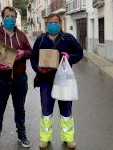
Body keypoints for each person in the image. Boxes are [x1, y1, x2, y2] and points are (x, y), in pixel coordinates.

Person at [30, 14, 83, 149]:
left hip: (64, 82)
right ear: (47, 24)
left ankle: (68, 138)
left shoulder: (68, 38)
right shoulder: (41, 39)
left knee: (66, 111)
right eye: (50, 22)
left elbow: (80, 53)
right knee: (46, 111)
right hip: (46, 82)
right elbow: (33, 58)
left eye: (56, 22)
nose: (53, 24)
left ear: (60, 23)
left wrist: (69, 58)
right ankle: (44, 139)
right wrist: (38, 70)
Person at [0, 6, 32, 150]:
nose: (10, 19)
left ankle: (22, 135)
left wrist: (24, 53)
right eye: (7, 16)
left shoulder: (22, 35)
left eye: (13, 16)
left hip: (19, 78)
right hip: (1, 79)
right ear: (3, 18)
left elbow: (30, 51)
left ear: (15, 18)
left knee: (20, 109)